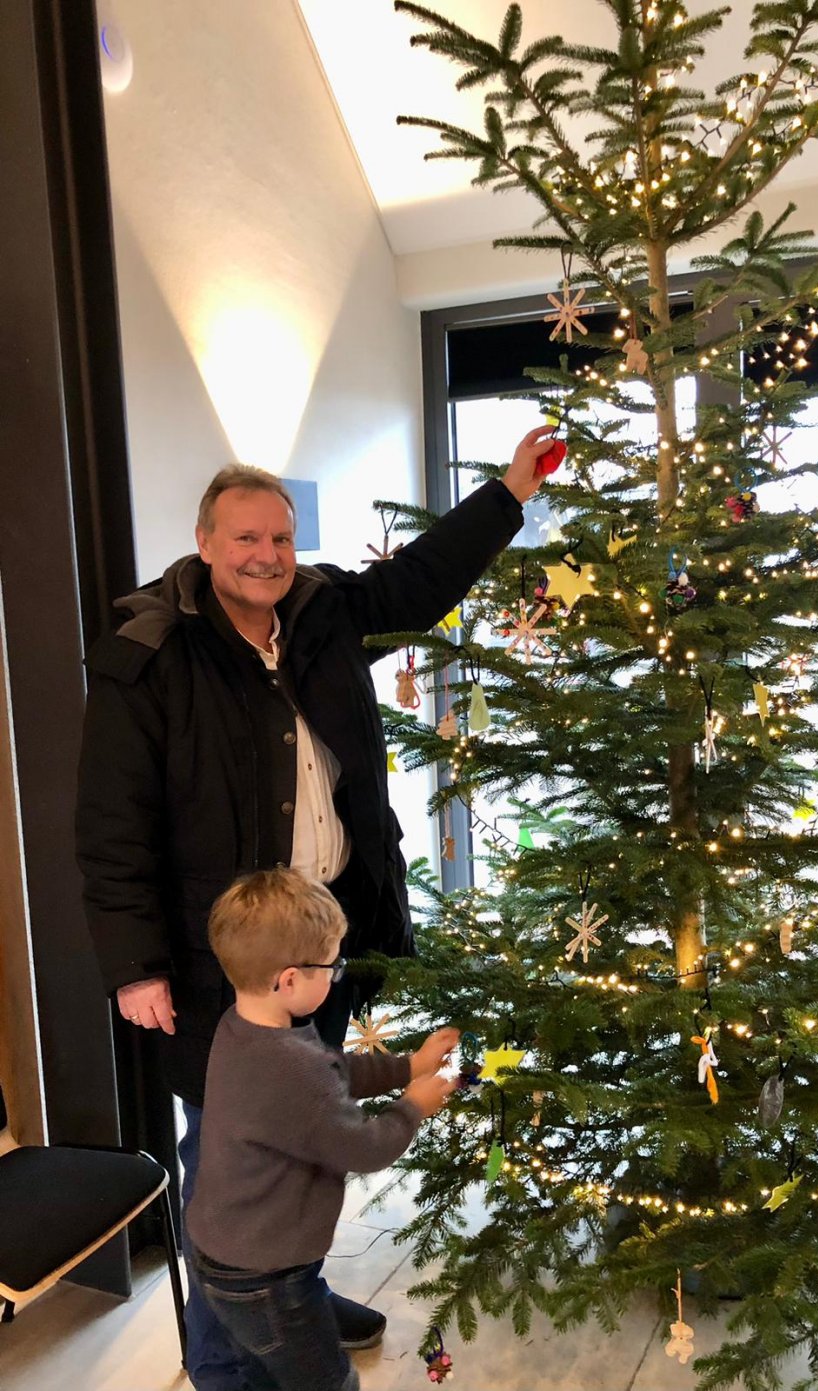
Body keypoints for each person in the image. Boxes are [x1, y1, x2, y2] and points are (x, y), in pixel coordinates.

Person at [75, 427, 553, 1391]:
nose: (267, 557)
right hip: (220, 958)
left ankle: (291, 1283)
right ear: (206, 542)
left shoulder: (323, 611)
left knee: (309, 1109)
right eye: (246, 539)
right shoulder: (151, 654)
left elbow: (418, 583)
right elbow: (110, 821)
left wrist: (507, 493)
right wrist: (134, 965)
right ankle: (222, 1359)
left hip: (322, 938)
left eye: (281, 540)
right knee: (226, 1157)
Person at [185, 868, 456, 1391]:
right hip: (269, 1278)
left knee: (265, 1375)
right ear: (289, 980)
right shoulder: (289, 1066)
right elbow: (365, 1146)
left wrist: (408, 1065)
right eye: (330, 967)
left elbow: (332, 1070)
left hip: (227, 1256)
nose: (335, 977)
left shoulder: (241, 1028)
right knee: (327, 1382)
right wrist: (413, 1106)